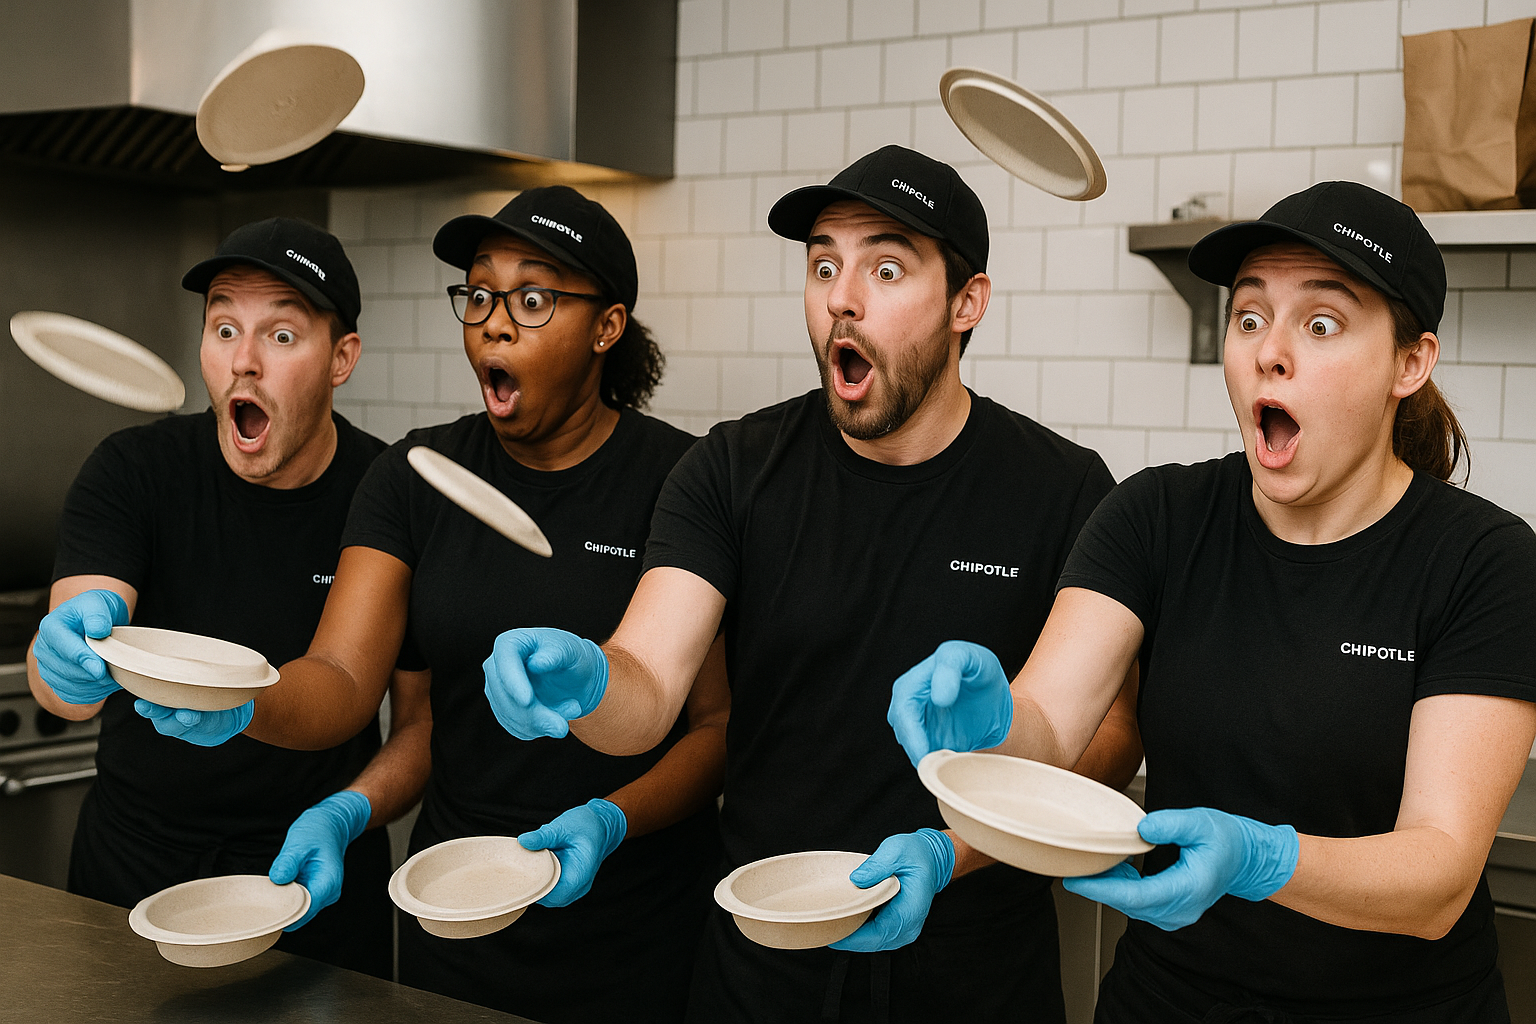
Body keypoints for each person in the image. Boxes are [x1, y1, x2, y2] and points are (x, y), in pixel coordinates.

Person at [480, 146, 1143, 1022]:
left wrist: (956, 851)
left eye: (886, 269)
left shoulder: (1062, 488)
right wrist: (588, 681)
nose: (841, 298)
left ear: (967, 303)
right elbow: (647, 689)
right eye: (824, 265)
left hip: (975, 970)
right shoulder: (731, 470)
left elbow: (1112, 736)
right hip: (763, 965)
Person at [887, 181, 1536, 1022]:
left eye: (1323, 324)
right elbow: (1048, 724)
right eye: (1250, 317)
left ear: (1409, 364)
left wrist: (1263, 859)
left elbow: (1439, 875)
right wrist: (994, 724)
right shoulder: (1156, 517)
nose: (1271, 353)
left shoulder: (1483, 562)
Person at [155, 187, 729, 1023]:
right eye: (481, 294)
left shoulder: (687, 480)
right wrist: (247, 706)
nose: (494, 324)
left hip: (639, 923)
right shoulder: (415, 479)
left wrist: (610, 820)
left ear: (606, 327)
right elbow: (347, 680)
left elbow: (718, 728)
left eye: (532, 300)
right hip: (453, 910)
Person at [25, 218, 401, 977]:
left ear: (342, 359)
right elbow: (64, 685)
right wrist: (63, 660)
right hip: (130, 874)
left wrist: (345, 811)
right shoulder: (133, 470)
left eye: (281, 336)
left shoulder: (386, 493)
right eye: (224, 329)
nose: (243, 361)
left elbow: (407, 717)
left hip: (309, 880)